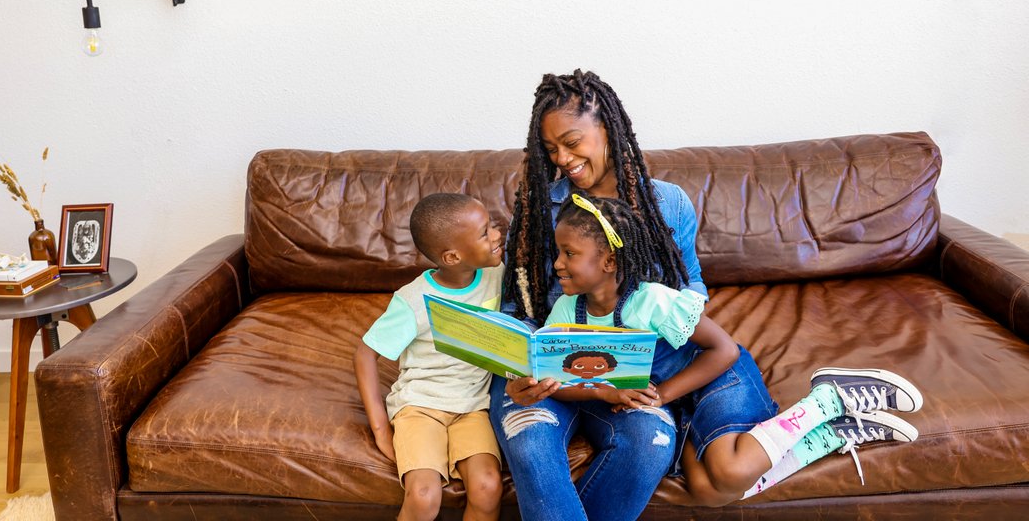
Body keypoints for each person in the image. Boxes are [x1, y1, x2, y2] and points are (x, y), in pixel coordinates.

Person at [489, 69, 922, 520]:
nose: (562, 159)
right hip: (550, 361)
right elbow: (516, 306)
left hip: (645, 362)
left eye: (572, 142)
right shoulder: (541, 207)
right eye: (551, 149)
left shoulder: (667, 205)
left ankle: (823, 411)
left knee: (654, 445)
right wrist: (527, 363)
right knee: (531, 432)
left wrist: (660, 320)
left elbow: (690, 282)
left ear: (607, 130)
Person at [547, 193, 924, 507]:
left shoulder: (653, 302)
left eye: (569, 253)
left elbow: (723, 350)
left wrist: (661, 396)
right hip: (678, 405)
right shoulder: (567, 311)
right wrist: (609, 392)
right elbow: (558, 375)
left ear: (609, 261)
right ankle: (832, 434)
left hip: (712, 377)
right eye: (557, 253)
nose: (558, 264)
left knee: (730, 471)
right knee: (709, 492)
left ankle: (826, 400)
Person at [354, 193, 505, 521]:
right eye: (484, 233)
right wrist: (380, 428)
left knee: (488, 486)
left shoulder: (497, 274)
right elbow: (365, 354)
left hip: (473, 407)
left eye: (492, 226)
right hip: (420, 407)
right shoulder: (412, 300)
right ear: (452, 256)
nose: (496, 235)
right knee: (424, 496)